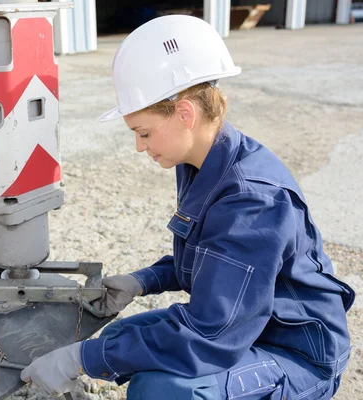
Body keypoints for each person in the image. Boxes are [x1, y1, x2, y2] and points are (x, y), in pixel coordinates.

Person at [20, 14, 355, 400]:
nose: (139, 147)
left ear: (185, 114)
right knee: (118, 338)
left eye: (143, 133)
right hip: (250, 324)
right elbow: (213, 261)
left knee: (162, 389)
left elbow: (212, 335)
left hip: (296, 353)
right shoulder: (202, 162)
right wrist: (142, 281)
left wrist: (77, 359)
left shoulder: (252, 201)